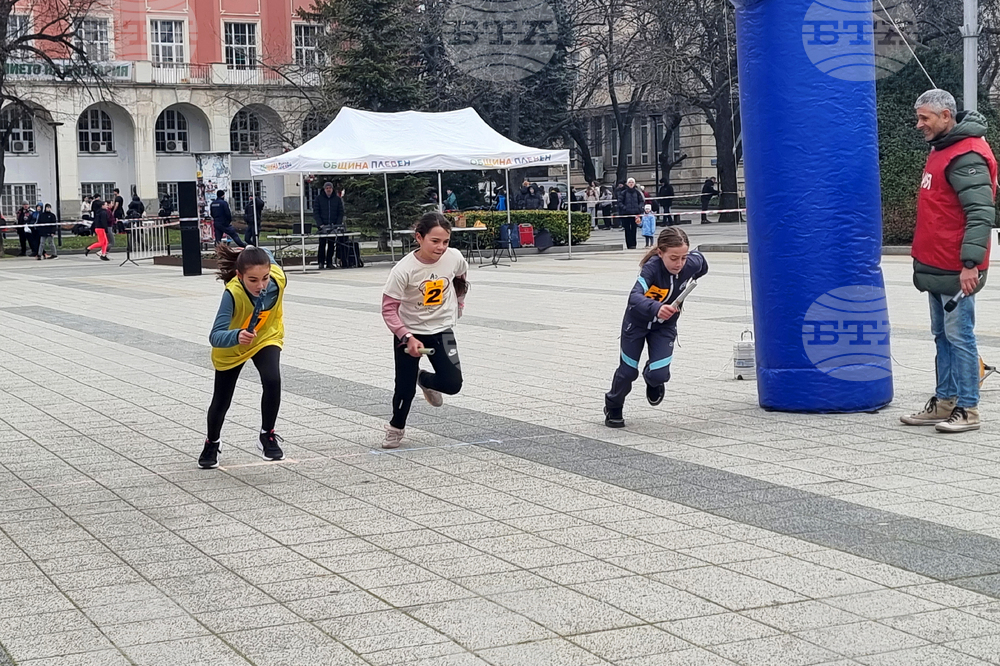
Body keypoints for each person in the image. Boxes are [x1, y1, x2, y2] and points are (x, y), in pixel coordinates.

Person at [900, 89, 997, 433]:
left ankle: (968, 410)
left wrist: (971, 263)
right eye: (919, 117)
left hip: (957, 268)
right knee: (942, 336)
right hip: (937, 263)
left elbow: (980, 212)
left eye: (925, 117)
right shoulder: (942, 149)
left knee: (960, 337)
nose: (919, 124)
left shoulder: (966, 155)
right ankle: (945, 402)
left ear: (946, 116)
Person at [604, 227, 709, 428]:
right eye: (673, 258)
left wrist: (691, 276)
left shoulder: (689, 264)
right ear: (660, 253)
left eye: (683, 257)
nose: (679, 264)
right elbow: (634, 297)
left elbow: (702, 264)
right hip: (636, 324)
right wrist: (657, 307)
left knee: (660, 374)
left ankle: (652, 378)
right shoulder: (651, 268)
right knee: (627, 372)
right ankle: (613, 406)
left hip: (664, 327)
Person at [381, 212, 469, 449]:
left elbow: (460, 277)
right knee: (404, 387)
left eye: (446, 242)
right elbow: (389, 309)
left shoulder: (455, 258)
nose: (441, 247)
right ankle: (395, 428)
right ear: (419, 238)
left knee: (453, 384)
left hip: (442, 329)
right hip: (409, 332)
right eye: (435, 241)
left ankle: (425, 379)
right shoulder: (403, 270)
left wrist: (458, 303)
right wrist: (406, 336)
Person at [201, 245, 287, 468]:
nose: (261, 286)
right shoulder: (233, 293)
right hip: (233, 345)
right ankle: (212, 442)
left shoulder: (278, 279)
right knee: (221, 399)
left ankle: (267, 435)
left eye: (265, 278)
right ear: (239, 276)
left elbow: (267, 252)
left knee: (272, 379)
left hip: (266, 336)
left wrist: (250, 248)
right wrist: (237, 335)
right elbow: (215, 335)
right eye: (253, 280)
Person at [313, 181, 344, 270]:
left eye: (330, 188)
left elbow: (340, 212)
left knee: (331, 244)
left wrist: (337, 224)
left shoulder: (337, 199)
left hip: (333, 226)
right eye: (327, 188)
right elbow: (316, 212)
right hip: (323, 226)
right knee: (322, 244)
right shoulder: (319, 199)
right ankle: (321, 262)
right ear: (324, 189)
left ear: (332, 189)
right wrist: (320, 224)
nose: (328, 189)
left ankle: (329, 262)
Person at [617, 178, 645, 249]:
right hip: (626, 214)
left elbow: (641, 201)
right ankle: (629, 244)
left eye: (632, 182)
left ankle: (633, 244)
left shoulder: (637, 192)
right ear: (627, 184)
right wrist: (624, 208)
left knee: (634, 229)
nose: (631, 184)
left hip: (635, 214)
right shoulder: (623, 193)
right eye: (629, 182)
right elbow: (619, 202)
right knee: (627, 229)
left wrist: (639, 208)